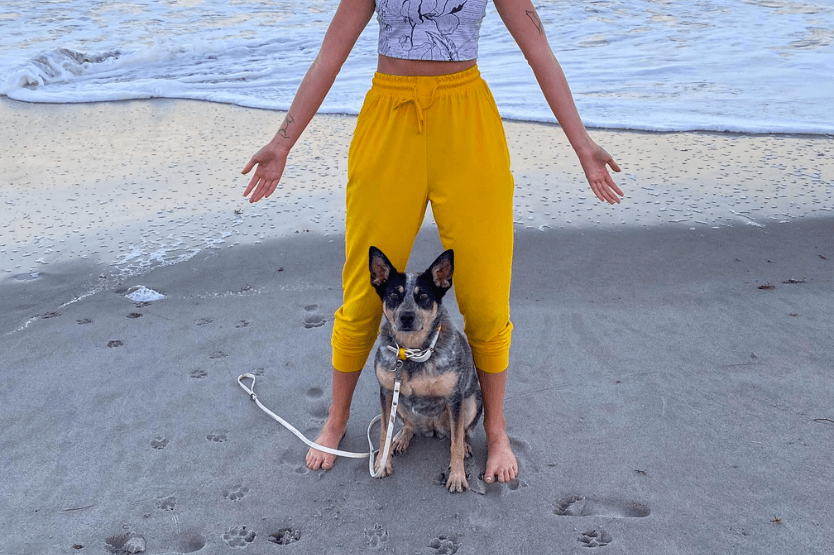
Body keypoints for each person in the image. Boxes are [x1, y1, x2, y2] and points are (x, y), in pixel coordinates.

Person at [241, 0, 623, 485]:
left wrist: (583, 144)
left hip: (467, 121)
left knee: (486, 295)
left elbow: (539, 51)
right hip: (389, 118)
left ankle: (497, 431)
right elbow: (328, 57)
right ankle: (337, 420)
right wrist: (282, 142)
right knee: (363, 294)